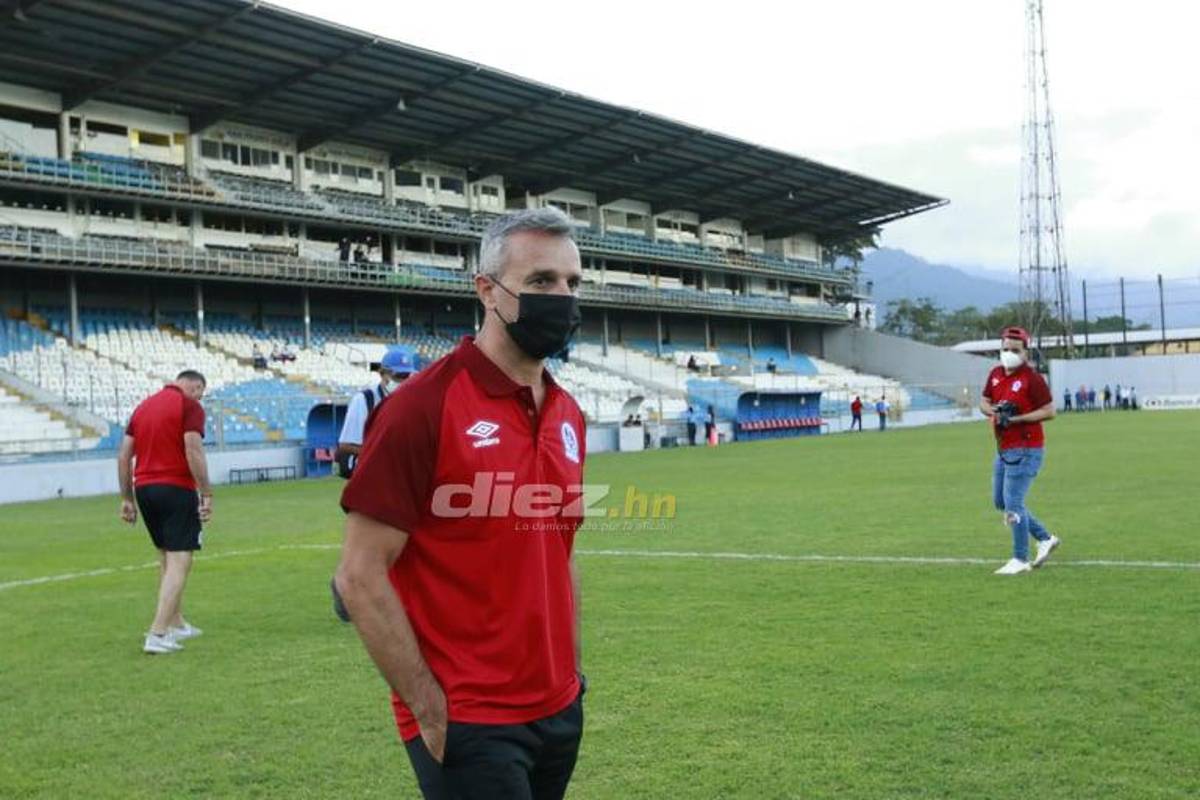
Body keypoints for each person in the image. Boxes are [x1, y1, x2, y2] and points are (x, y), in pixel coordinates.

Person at [335, 207, 587, 799]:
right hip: (469, 719)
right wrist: (426, 704)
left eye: (573, 283)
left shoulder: (568, 411)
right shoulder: (422, 406)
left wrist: (571, 677)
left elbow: (561, 552)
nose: (563, 297)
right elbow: (359, 576)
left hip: (559, 708)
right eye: (541, 281)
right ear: (486, 290)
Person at [117, 370, 212, 654]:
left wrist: (126, 498)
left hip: (145, 489)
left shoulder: (143, 406)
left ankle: (176, 622)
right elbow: (193, 449)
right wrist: (206, 491)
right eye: (200, 392)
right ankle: (158, 633)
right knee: (181, 559)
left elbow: (124, 455)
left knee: (166, 556)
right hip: (175, 487)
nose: (200, 398)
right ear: (194, 386)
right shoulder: (189, 406)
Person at [980, 326, 1060, 575]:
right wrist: (992, 411)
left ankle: (1020, 558)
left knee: (1013, 501)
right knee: (1001, 501)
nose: (1009, 353)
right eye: (1005, 349)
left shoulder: (1032, 379)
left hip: (1026, 447)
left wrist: (1018, 418)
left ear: (1025, 352)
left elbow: (1050, 411)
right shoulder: (995, 374)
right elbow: (983, 400)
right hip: (1004, 448)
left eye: (1015, 350)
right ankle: (1045, 538)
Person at [336, 345, 418, 481]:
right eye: (399, 376)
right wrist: (383, 455)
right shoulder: (364, 400)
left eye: (407, 376)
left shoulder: (411, 401)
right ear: (382, 373)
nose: (404, 381)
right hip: (370, 476)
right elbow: (346, 445)